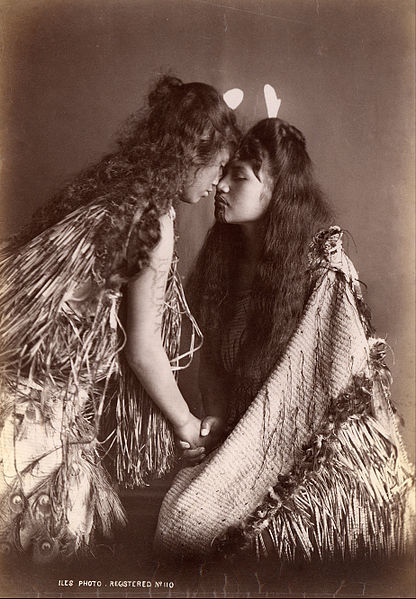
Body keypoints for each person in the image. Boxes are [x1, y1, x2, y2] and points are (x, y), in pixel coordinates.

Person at [0, 75, 239, 563]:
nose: (218, 181)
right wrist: (188, 425)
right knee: (39, 552)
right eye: (217, 167)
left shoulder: (116, 193)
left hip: (17, 393)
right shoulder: (154, 221)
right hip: (36, 413)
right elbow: (142, 347)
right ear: (191, 155)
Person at [154, 117, 415, 563]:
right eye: (223, 174)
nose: (220, 187)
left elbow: (326, 391)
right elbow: (215, 363)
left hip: (315, 455)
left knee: (191, 525)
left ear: (277, 190)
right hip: (244, 438)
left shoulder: (323, 270)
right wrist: (215, 419)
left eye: (239, 177)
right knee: (178, 520)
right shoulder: (224, 261)